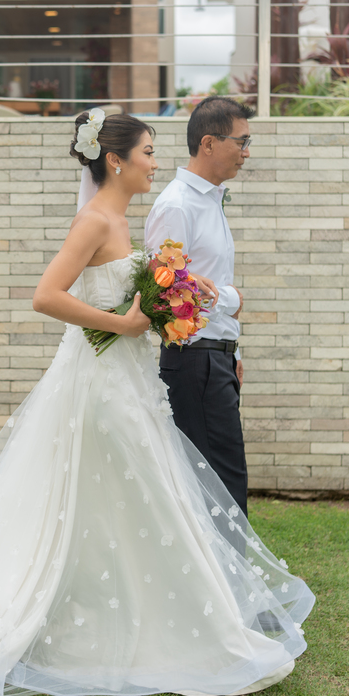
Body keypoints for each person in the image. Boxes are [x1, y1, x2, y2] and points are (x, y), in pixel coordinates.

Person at [0, 110, 314, 696]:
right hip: (102, 385)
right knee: (152, 494)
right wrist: (128, 324)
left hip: (130, 380)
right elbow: (46, 295)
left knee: (130, 500)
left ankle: (157, 615)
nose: (155, 162)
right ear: (116, 160)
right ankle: (193, 631)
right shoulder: (94, 220)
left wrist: (162, 310)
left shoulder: (120, 219)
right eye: (148, 152)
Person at [145, 96, 253, 518]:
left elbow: (208, 281)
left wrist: (234, 352)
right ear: (208, 143)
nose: (246, 152)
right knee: (220, 485)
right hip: (194, 364)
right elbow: (165, 296)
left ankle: (226, 580)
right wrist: (234, 299)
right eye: (241, 142)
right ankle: (229, 583)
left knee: (222, 482)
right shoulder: (176, 205)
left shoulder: (209, 199)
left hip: (216, 360)